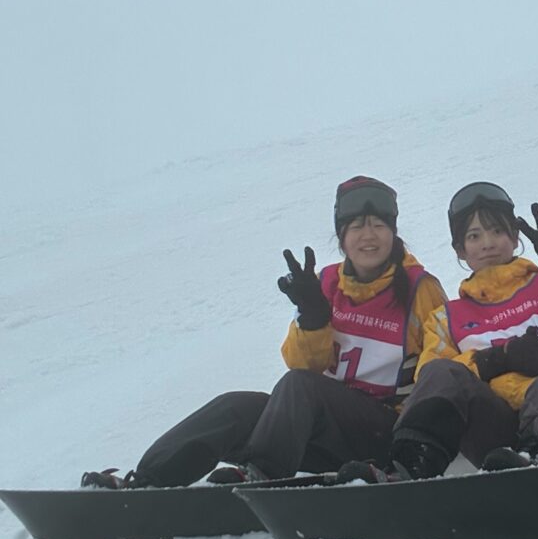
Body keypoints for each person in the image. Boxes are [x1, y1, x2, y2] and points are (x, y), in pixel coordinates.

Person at [81, 176, 446, 488]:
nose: (368, 236)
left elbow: (439, 369)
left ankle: (263, 477)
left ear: (393, 232)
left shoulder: (420, 290)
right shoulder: (326, 283)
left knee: (299, 386)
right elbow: (301, 364)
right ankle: (148, 480)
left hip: (382, 434)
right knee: (237, 406)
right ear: (341, 235)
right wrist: (313, 317)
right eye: (357, 227)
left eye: (379, 225)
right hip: (326, 430)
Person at [340, 181, 538, 483]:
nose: (487, 243)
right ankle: (409, 467)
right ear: (460, 250)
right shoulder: (448, 318)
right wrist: (496, 360)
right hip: (499, 433)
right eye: (474, 236)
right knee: (441, 372)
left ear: (515, 237)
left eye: (497, 231)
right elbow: (431, 377)